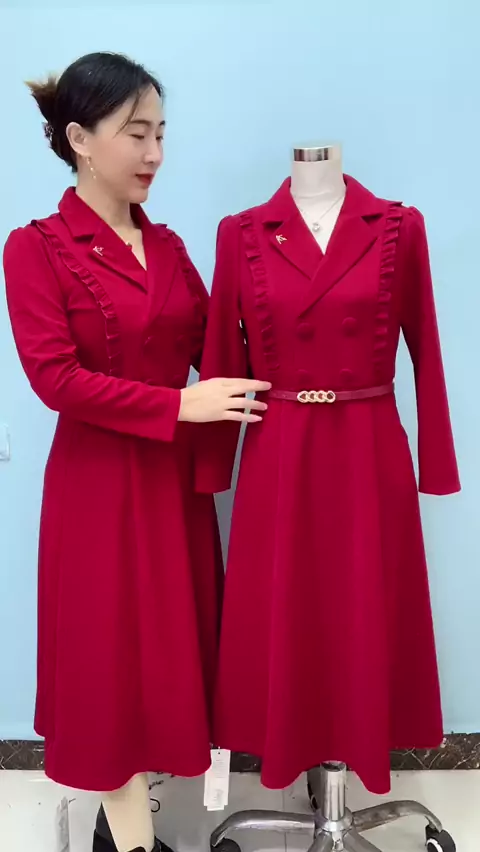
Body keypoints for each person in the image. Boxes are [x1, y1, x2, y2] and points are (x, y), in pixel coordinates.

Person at [2, 51, 271, 852]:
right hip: (97, 490)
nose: (155, 153)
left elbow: (216, 345)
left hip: (173, 486)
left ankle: (123, 826)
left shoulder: (173, 248)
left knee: (167, 657)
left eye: (161, 134)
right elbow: (56, 379)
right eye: (136, 133)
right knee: (109, 662)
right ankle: (129, 842)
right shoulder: (35, 248)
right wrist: (181, 404)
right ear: (79, 139)